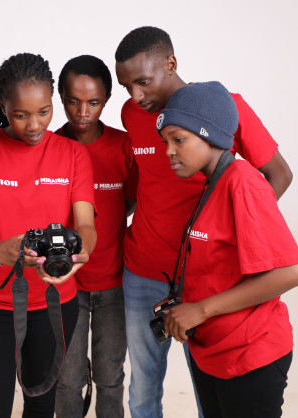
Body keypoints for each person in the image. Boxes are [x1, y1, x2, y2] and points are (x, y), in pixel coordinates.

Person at [114, 26, 293, 418]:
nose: (135, 96)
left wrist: (235, 239)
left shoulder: (223, 106)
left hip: (208, 277)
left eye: (143, 82)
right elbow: (142, 181)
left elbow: (278, 175)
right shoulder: (133, 113)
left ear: (171, 64)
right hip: (144, 267)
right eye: (127, 87)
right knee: (144, 387)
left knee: (208, 386)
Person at [0, 52, 97, 418]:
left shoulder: (73, 154)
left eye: (44, 112)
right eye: (21, 115)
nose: (35, 125)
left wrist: (79, 256)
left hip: (54, 303)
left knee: (41, 407)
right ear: (3, 106)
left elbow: (86, 226)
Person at [157, 80, 298, 418]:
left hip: (250, 356)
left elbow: (289, 271)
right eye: (166, 142)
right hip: (212, 354)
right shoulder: (213, 184)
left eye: (179, 140)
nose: (169, 151)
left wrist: (201, 310)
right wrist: (184, 304)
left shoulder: (243, 182)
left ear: (209, 134)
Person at [53, 54, 133, 418]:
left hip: (114, 284)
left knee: (110, 377)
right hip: (63, 286)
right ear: (60, 97)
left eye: (94, 102)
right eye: (73, 101)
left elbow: (129, 202)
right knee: (68, 379)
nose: (83, 112)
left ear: (107, 100)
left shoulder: (123, 146)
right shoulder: (50, 146)